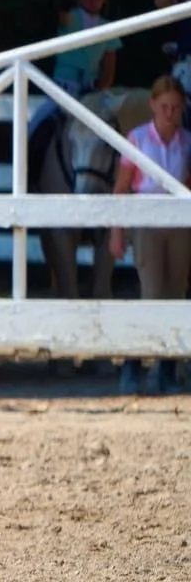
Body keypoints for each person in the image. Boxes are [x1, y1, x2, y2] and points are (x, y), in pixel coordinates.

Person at [108, 75, 190, 395]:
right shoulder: (138, 139)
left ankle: (167, 370)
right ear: (153, 105)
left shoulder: (187, 142)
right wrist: (118, 232)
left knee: (175, 294)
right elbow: (122, 187)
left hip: (180, 225)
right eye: (165, 106)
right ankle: (133, 364)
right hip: (147, 224)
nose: (170, 113)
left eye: (176, 108)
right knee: (152, 294)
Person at [51, 0, 120, 96]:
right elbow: (62, 15)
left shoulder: (108, 26)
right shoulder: (70, 17)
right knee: (45, 115)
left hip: (90, 86)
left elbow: (109, 68)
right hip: (63, 84)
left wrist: (99, 90)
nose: (92, 0)